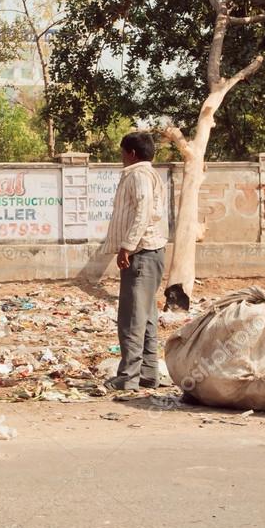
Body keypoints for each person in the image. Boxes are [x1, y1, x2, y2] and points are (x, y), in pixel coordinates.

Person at [101, 132, 168, 391]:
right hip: (150, 251)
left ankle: (128, 377)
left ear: (131, 153)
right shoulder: (149, 174)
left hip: (141, 252)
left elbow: (142, 212)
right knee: (147, 315)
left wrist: (127, 247)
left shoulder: (139, 175)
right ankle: (148, 374)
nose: (121, 157)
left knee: (132, 318)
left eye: (122, 152)